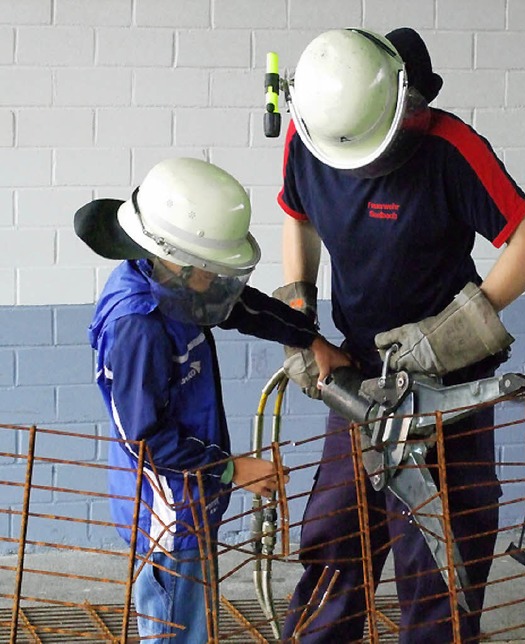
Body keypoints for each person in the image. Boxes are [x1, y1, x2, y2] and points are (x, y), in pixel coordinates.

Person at [272, 27, 525, 642]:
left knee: (438, 554)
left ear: (407, 102)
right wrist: (300, 314)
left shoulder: (451, 148)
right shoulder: (313, 130)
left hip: (444, 382)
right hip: (357, 374)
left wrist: (447, 336)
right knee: (336, 537)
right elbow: (297, 216)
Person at [73, 157, 350, 643]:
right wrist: (232, 469)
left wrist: (311, 339)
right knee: (176, 628)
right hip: (167, 512)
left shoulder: (180, 284)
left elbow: (242, 306)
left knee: (192, 617)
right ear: (175, 259)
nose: (216, 282)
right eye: (210, 271)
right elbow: (145, 440)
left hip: (192, 495)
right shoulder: (138, 324)